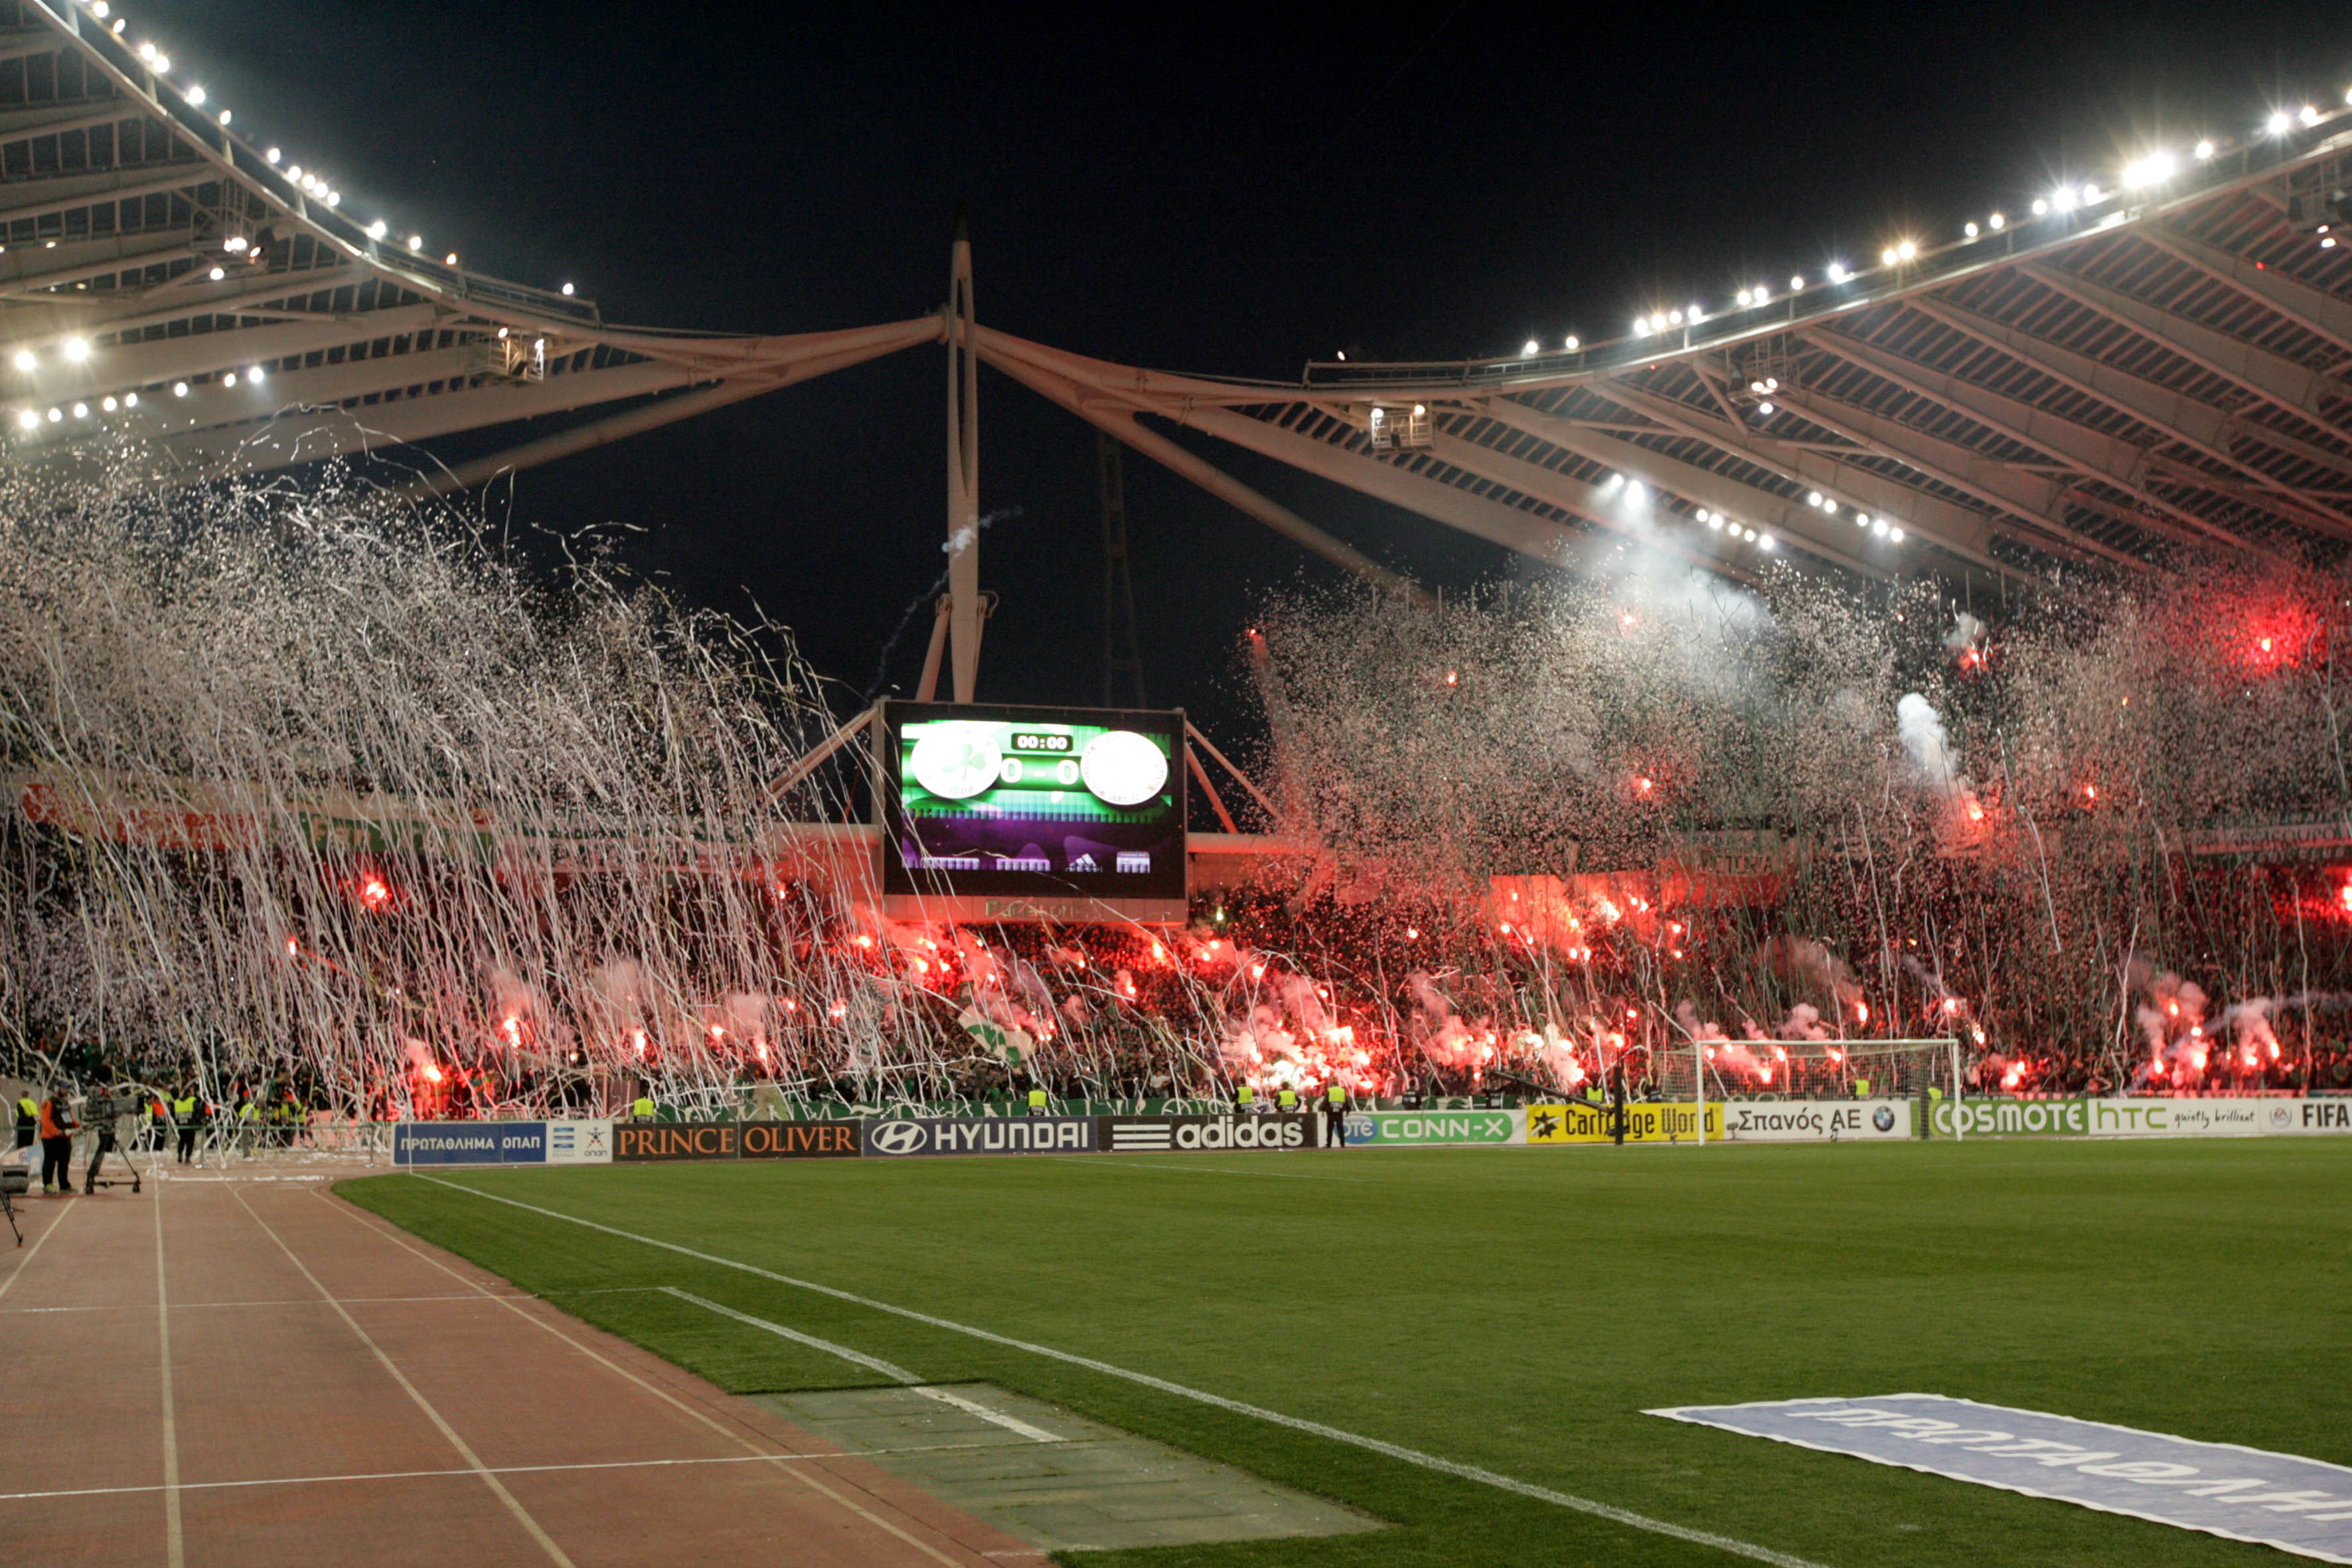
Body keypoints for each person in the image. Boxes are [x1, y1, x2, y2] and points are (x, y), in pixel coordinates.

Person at [37, 1085, 78, 1196]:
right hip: (51, 1138)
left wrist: (78, 1126)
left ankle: (64, 1185)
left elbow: (69, 1118)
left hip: (64, 1136)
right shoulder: (48, 1103)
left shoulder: (65, 1103)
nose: (66, 1091)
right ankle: (48, 1185)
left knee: (64, 1162)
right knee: (50, 1161)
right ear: (57, 1089)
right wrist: (55, 1131)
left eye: (67, 1089)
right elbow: (45, 1120)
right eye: (64, 1089)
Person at [174, 1087, 203, 1165]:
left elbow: (173, 1113)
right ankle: (187, 1157)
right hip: (190, 1125)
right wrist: (199, 1121)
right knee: (190, 1142)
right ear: (189, 1093)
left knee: (182, 1140)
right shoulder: (192, 1100)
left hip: (181, 1124)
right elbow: (199, 1111)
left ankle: (180, 1155)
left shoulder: (177, 1102)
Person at [1324, 1083, 1348, 1150]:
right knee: (1340, 1128)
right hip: (1340, 1111)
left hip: (1331, 1112)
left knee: (1329, 1129)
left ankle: (1329, 1144)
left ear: (1332, 1084)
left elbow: (1325, 1101)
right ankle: (1342, 1144)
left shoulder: (1330, 1090)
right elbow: (1346, 1101)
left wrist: (1322, 1109)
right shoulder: (1342, 1091)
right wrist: (1348, 1109)